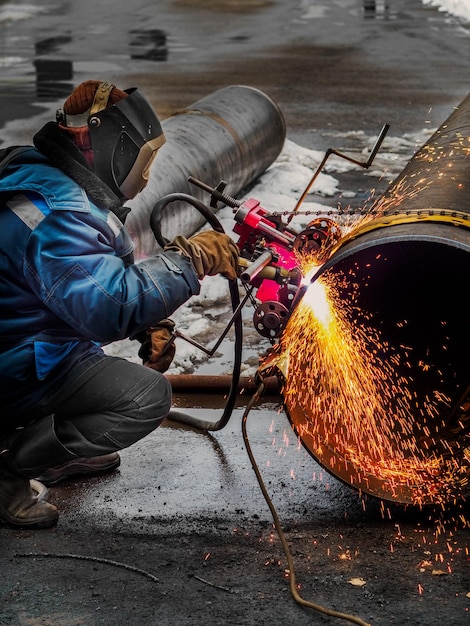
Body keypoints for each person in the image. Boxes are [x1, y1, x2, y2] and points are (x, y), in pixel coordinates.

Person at [0, 80, 240, 529]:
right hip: (14, 368)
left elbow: (71, 286)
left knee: (94, 366)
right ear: (112, 147)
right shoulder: (58, 214)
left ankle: (46, 450)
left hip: (23, 346)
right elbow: (107, 307)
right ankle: (10, 468)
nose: (144, 174)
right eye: (142, 159)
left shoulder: (39, 176)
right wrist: (191, 259)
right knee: (145, 398)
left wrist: (144, 323)